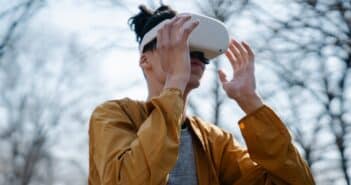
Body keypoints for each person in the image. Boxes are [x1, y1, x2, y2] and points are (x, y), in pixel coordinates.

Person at [88, 4, 315, 185]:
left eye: (201, 52)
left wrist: (251, 102)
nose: (193, 54)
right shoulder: (113, 115)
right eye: (179, 46)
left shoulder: (215, 142)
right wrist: (175, 81)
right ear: (145, 60)